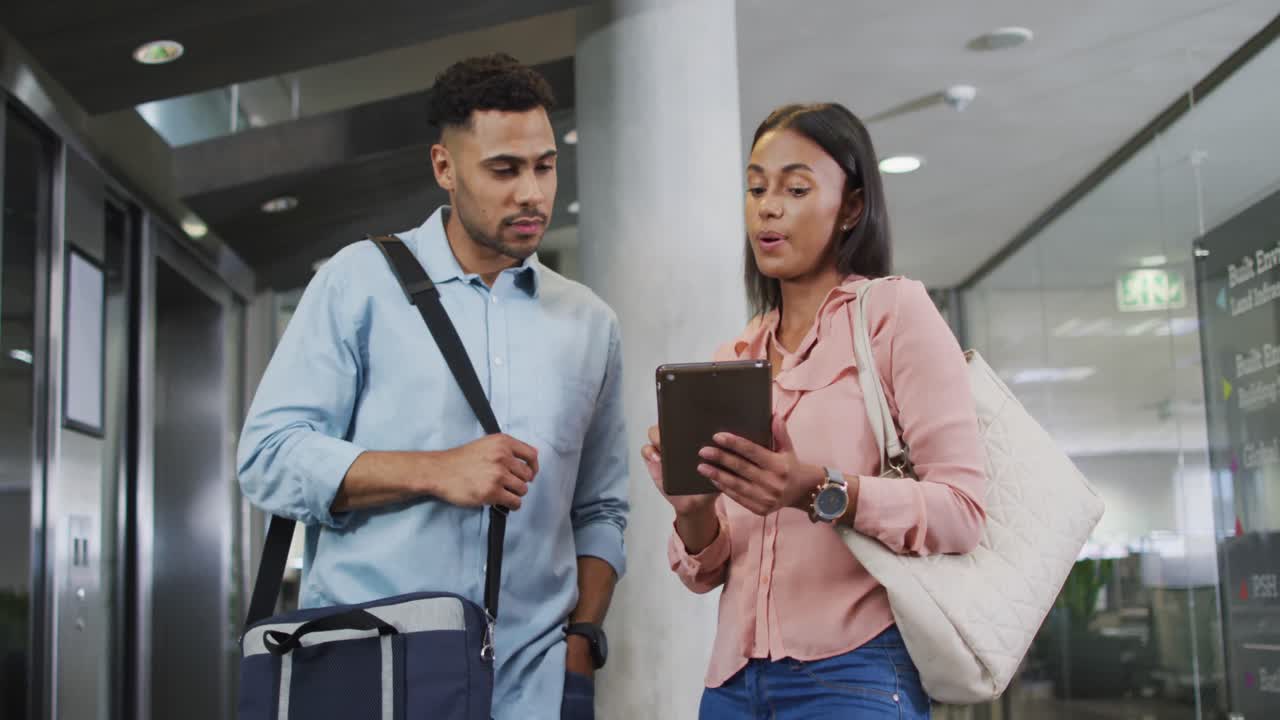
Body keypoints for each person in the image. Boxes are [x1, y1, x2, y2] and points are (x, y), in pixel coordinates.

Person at [237, 54, 628, 720]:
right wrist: (434, 471)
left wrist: (583, 640)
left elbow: (601, 510)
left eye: (544, 165)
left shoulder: (589, 323)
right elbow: (267, 457)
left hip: (532, 690)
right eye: (504, 170)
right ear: (444, 168)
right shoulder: (358, 283)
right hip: (375, 675)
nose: (532, 193)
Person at [642, 103, 987, 719]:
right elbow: (707, 570)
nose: (768, 207)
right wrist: (692, 513)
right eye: (755, 188)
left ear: (851, 207)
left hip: (855, 670)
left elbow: (962, 513)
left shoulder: (892, 312)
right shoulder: (737, 356)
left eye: (795, 188)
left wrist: (821, 490)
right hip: (731, 684)